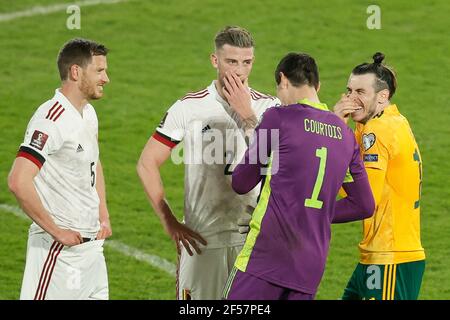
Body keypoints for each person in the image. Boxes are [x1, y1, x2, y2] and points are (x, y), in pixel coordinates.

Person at [136, 26, 280, 300]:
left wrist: (247, 114)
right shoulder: (190, 107)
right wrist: (168, 220)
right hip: (202, 242)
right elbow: (147, 163)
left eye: (246, 62)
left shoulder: (269, 108)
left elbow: (278, 167)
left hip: (251, 241)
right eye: (231, 62)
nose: (239, 71)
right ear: (215, 61)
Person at [223, 52, 375, 300]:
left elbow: (242, 182)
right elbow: (364, 204)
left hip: (266, 255)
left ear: (283, 80)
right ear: (318, 86)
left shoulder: (278, 117)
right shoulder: (346, 136)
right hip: (310, 264)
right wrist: (316, 211)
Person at [7, 38, 112, 300]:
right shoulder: (50, 120)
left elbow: (94, 161)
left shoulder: (88, 113)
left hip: (92, 253)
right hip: (59, 255)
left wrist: (103, 215)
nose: (106, 78)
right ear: (76, 72)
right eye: (99, 71)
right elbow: (18, 180)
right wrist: (56, 231)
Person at [333, 52, 425, 300]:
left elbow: (364, 201)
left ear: (382, 97)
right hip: (380, 255)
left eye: (360, 92)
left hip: (390, 257)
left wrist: (312, 214)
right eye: (349, 91)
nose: (351, 98)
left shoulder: (378, 131)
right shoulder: (391, 122)